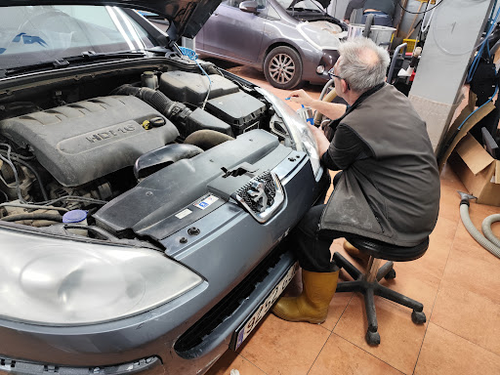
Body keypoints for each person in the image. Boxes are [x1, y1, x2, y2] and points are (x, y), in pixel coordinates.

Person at [272, 37, 440, 324]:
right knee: (346, 186)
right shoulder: (389, 95)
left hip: (397, 220)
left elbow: (331, 160)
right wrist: (314, 103)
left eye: (333, 73)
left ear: (345, 85)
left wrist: (316, 134)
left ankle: (313, 306)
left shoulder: (355, 126)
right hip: (418, 209)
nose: (332, 76)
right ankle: (360, 249)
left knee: (310, 226)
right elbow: (353, 113)